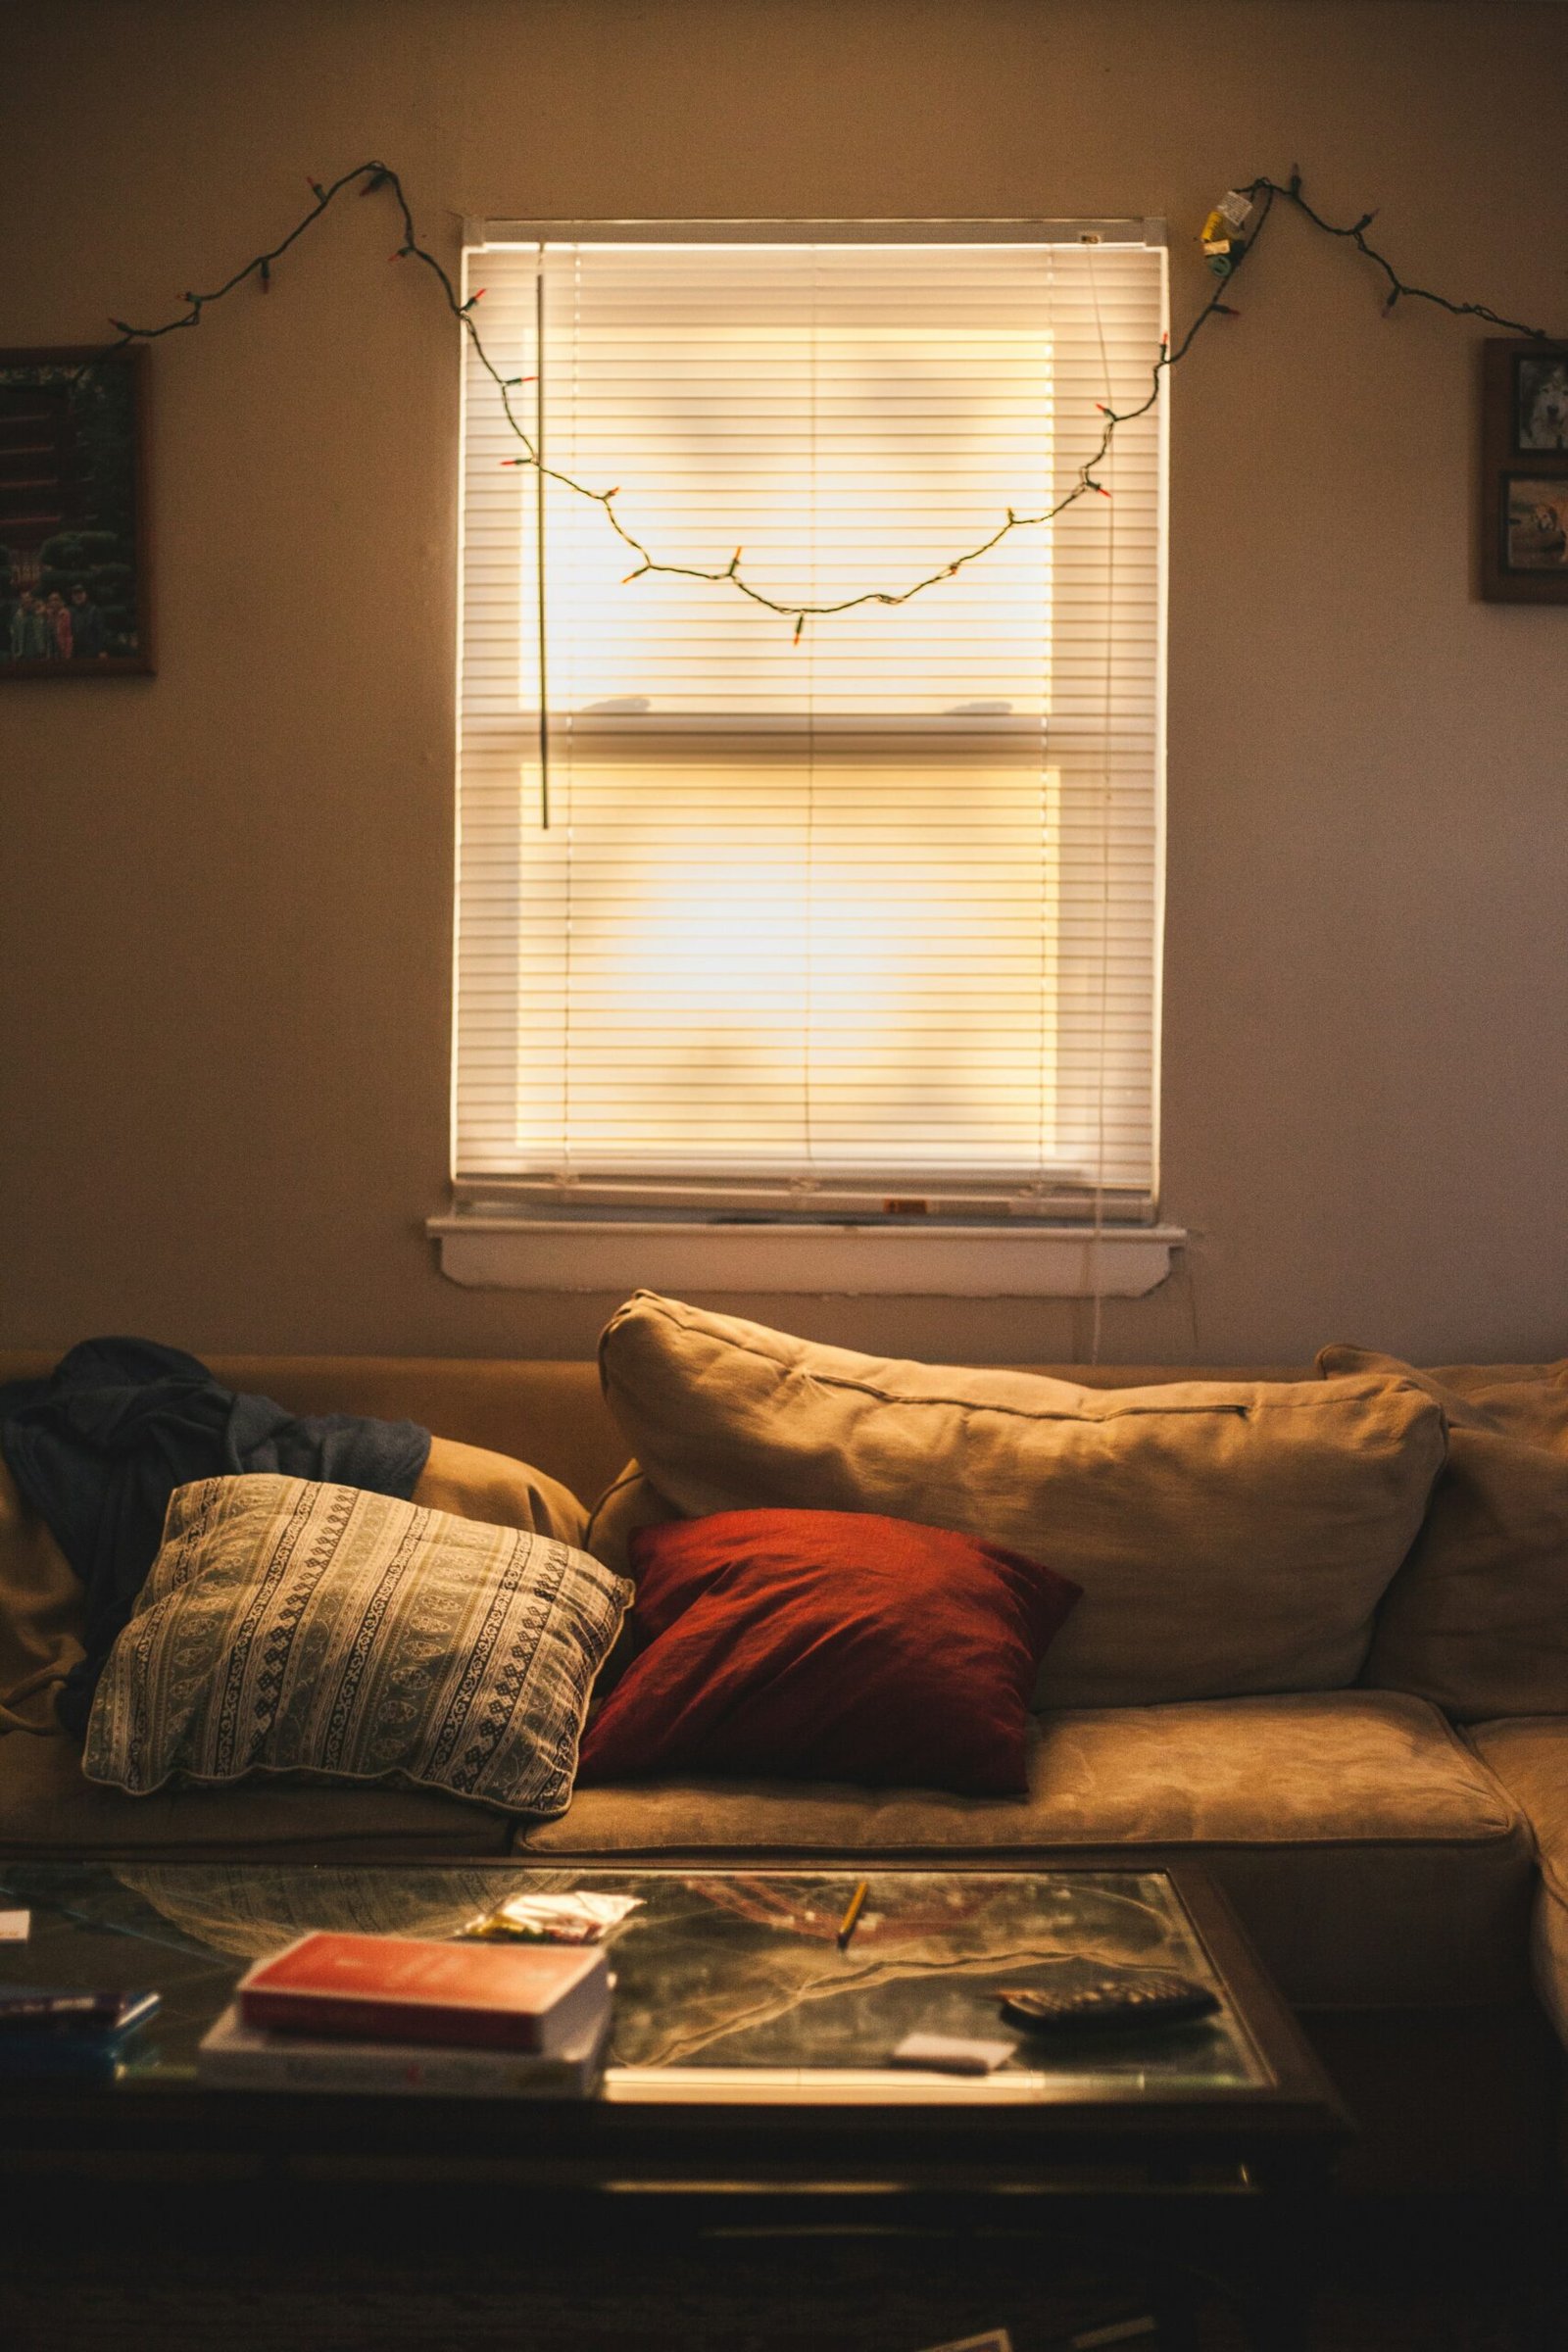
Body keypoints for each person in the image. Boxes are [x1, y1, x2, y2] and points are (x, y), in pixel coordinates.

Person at [69, 583, 107, 659]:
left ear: (85, 595)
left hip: (92, 652)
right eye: (75, 594)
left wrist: (102, 650)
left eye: (80, 593)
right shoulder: (70, 612)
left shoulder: (94, 611)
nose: (78, 596)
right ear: (72, 597)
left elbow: (101, 632)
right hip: (76, 653)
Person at [8, 590, 49, 661]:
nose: (27, 601)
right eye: (24, 599)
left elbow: (47, 635)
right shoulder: (17, 618)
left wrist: (47, 653)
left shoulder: (39, 616)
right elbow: (14, 637)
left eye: (28, 598)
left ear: (32, 600)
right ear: (21, 602)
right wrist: (14, 653)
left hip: (39, 653)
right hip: (23, 655)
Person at [42, 590, 72, 659]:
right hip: (50, 651)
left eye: (56, 600)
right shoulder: (47, 615)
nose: (53, 602)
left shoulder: (66, 614)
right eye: (51, 600)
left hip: (62, 649)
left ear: (60, 601)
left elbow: (68, 635)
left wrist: (68, 652)